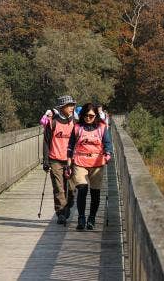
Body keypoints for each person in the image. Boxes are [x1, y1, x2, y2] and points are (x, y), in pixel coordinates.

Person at [67, 103, 113, 230]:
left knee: (95, 193)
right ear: (82, 115)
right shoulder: (77, 128)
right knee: (82, 189)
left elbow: (107, 144)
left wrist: (107, 155)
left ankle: (91, 218)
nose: (88, 118)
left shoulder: (102, 128)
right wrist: (68, 163)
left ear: (96, 116)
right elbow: (70, 146)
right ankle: (81, 218)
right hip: (80, 162)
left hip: (97, 163)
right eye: (86, 115)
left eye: (91, 116)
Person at [40, 95, 76, 225]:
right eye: (69, 105)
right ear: (62, 107)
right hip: (55, 159)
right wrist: (45, 160)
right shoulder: (52, 122)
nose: (72, 108)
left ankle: (68, 205)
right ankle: (61, 213)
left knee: (72, 189)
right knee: (58, 188)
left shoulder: (75, 122)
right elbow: (46, 142)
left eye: (73, 105)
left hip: (71, 160)